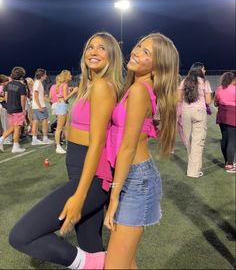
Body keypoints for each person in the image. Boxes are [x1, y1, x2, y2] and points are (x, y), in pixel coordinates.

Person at [9, 32, 123, 269]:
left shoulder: (102, 85)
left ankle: (89, 262)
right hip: (79, 164)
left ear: (112, 56)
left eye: (102, 48)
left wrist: (79, 195)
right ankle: (95, 260)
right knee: (89, 239)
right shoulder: (88, 84)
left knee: (22, 236)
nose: (93, 51)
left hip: (92, 173)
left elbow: (98, 143)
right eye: (90, 47)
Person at [103, 33, 179, 269]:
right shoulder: (136, 88)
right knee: (125, 261)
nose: (136, 52)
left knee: (115, 265)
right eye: (138, 46)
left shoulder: (140, 91)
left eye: (146, 52)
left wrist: (114, 195)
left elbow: (128, 147)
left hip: (135, 180)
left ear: (158, 66)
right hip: (130, 176)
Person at [179, 62, 212, 178]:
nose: (205, 70)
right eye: (203, 69)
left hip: (186, 111)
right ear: (199, 70)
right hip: (199, 112)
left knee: (189, 141)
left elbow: (179, 97)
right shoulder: (204, 82)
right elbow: (208, 101)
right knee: (198, 142)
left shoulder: (184, 81)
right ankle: (193, 171)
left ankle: (194, 168)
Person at [0, 67, 27, 153]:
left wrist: (9, 106)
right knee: (17, 128)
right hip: (17, 109)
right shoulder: (22, 86)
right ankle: (15, 147)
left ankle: (1, 140)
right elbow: (23, 99)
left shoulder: (8, 84)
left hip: (9, 109)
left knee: (12, 127)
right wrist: (23, 109)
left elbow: (6, 97)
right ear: (22, 76)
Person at [214, 71, 236, 173]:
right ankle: (230, 166)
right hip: (233, 115)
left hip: (222, 115)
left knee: (225, 139)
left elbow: (216, 103)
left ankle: (227, 162)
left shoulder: (219, 89)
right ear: (233, 79)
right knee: (232, 140)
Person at [53, 70, 78, 154]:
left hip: (62, 106)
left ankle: (68, 144)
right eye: (70, 75)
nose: (71, 76)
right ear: (66, 76)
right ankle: (58, 146)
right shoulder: (65, 85)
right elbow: (65, 98)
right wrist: (74, 91)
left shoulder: (62, 85)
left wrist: (69, 90)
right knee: (60, 127)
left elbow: (62, 95)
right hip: (62, 106)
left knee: (67, 127)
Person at [31, 68, 54, 145]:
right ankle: (45, 138)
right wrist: (40, 106)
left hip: (35, 106)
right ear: (42, 75)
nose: (46, 75)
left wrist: (49, 100)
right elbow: (36, 95)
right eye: (45, 74)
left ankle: (34, 139)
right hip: (39, 106)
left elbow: (40, 96)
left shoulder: (37, 82)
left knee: (35, 122)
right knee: (44, 121)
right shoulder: (38, 83)